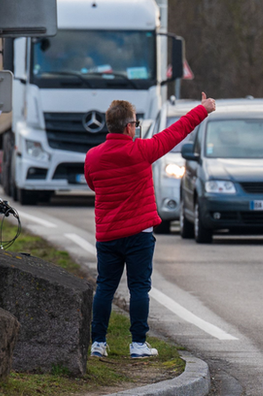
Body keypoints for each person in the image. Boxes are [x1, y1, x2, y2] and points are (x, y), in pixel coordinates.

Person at [85, 93, 216, 359]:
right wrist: (202, 109)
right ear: (129, 127)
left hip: (108, 234)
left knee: (105, 287)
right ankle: (138, 344)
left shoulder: (93, 156)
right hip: (139, 235)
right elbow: (176, 132)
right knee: (139, 288)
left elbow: (93, 184)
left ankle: (97, 343)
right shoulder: (142, 151)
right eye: (135, 124)